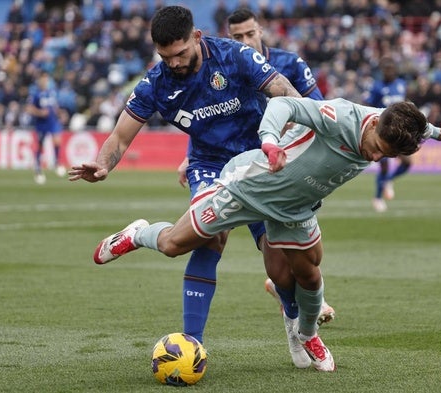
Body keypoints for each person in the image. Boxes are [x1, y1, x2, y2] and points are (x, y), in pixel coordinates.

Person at [78, 97, 441, 372]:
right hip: (248, 186)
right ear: (373, 125)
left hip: (295, 209)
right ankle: (137, 233)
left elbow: (417, 126)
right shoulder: (341, 116)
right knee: (171, 245)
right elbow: (283, 104)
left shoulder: (393, 124)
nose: (374, 157)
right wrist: (269, 142)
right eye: (375, 148)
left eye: (384, 156)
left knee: (308, 275)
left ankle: (308, 334)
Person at [68, 5, 314, 369]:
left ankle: (296, 326)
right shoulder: (156, 84)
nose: (174, 63)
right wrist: (103, 165)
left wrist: (297, 139)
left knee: (281, 264)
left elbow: (285, 91)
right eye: (165, 56)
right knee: (209, 235)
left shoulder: (234, 55)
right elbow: (120, 136)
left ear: (196, 37)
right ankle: (191, 345)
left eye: (180, 53)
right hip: (210, 165)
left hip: (257, 160)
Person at [222, 6, 337, 329]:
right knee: (268, 237)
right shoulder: (227, 69)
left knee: (300, 232)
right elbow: (212, 116)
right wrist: (192, 154)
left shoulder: (289, 63)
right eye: (236, 37)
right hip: (250, 162)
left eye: (249, 33)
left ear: (261, 30)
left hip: (294, 161)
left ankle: (286, 288)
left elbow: (317, 106)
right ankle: (298, 301)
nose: (245, 41)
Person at [363, 56, 408, 213]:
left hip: (400, 131)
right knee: (384, 165)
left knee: (407, 162)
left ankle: (388, 181)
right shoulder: (376, 87)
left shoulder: (402, 85)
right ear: (382, 71)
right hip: (382, 131)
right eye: (386, 69)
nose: (389, 72)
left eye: (391, 69)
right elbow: (367, 105)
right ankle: (378, 198)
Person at [25, 72, 66, 185]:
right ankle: (38, 169)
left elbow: (55, 106)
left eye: (46, 80)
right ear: (39, 81)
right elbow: (29, 108)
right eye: (43, 80)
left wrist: (60, 113)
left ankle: (57, 163)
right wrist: (40, 112)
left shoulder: (52, 93)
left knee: (57, 140)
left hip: (52, 121)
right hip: (41, 123)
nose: (45, 82)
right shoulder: (35, 94)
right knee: (40, 145)